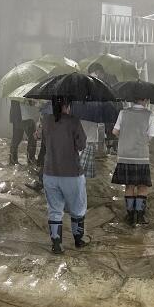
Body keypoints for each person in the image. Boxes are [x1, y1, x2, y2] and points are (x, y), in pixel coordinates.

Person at [41, 96, 87, 253]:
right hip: (72, 173)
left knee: (54, 209)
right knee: (77, 207)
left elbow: (44, 143)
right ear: (67, 105)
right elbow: (82, 144)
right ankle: (78, 241)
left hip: (50, 172)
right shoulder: (74, 121)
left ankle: (56, 245)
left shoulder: (45, 120)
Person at [111, 98, 154, 226]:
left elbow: (115, 131)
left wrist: (126, 137)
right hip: (141, 156)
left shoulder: (123, 113)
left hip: (124, 154)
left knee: (129, 186)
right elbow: (150, 136)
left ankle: (130, 216)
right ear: (146, 100)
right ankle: (140, 217)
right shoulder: (149, 114)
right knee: (142, 186)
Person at [87, 63, 120, 155]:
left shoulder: (111, 79)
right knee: (105, 128)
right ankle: (106, 148)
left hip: (112, 107)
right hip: (104, 107)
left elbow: (114, 93)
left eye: (92, 74)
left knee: (111, 128)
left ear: (98, 72)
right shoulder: (98, 80)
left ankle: (112, 148)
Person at [9, 100, 38, 165]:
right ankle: (13, 158)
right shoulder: (16, 93)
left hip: (29, 114)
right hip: (19, 115)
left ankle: (31, 158)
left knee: (33, 137)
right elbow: (15, 100)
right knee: (17, 137)